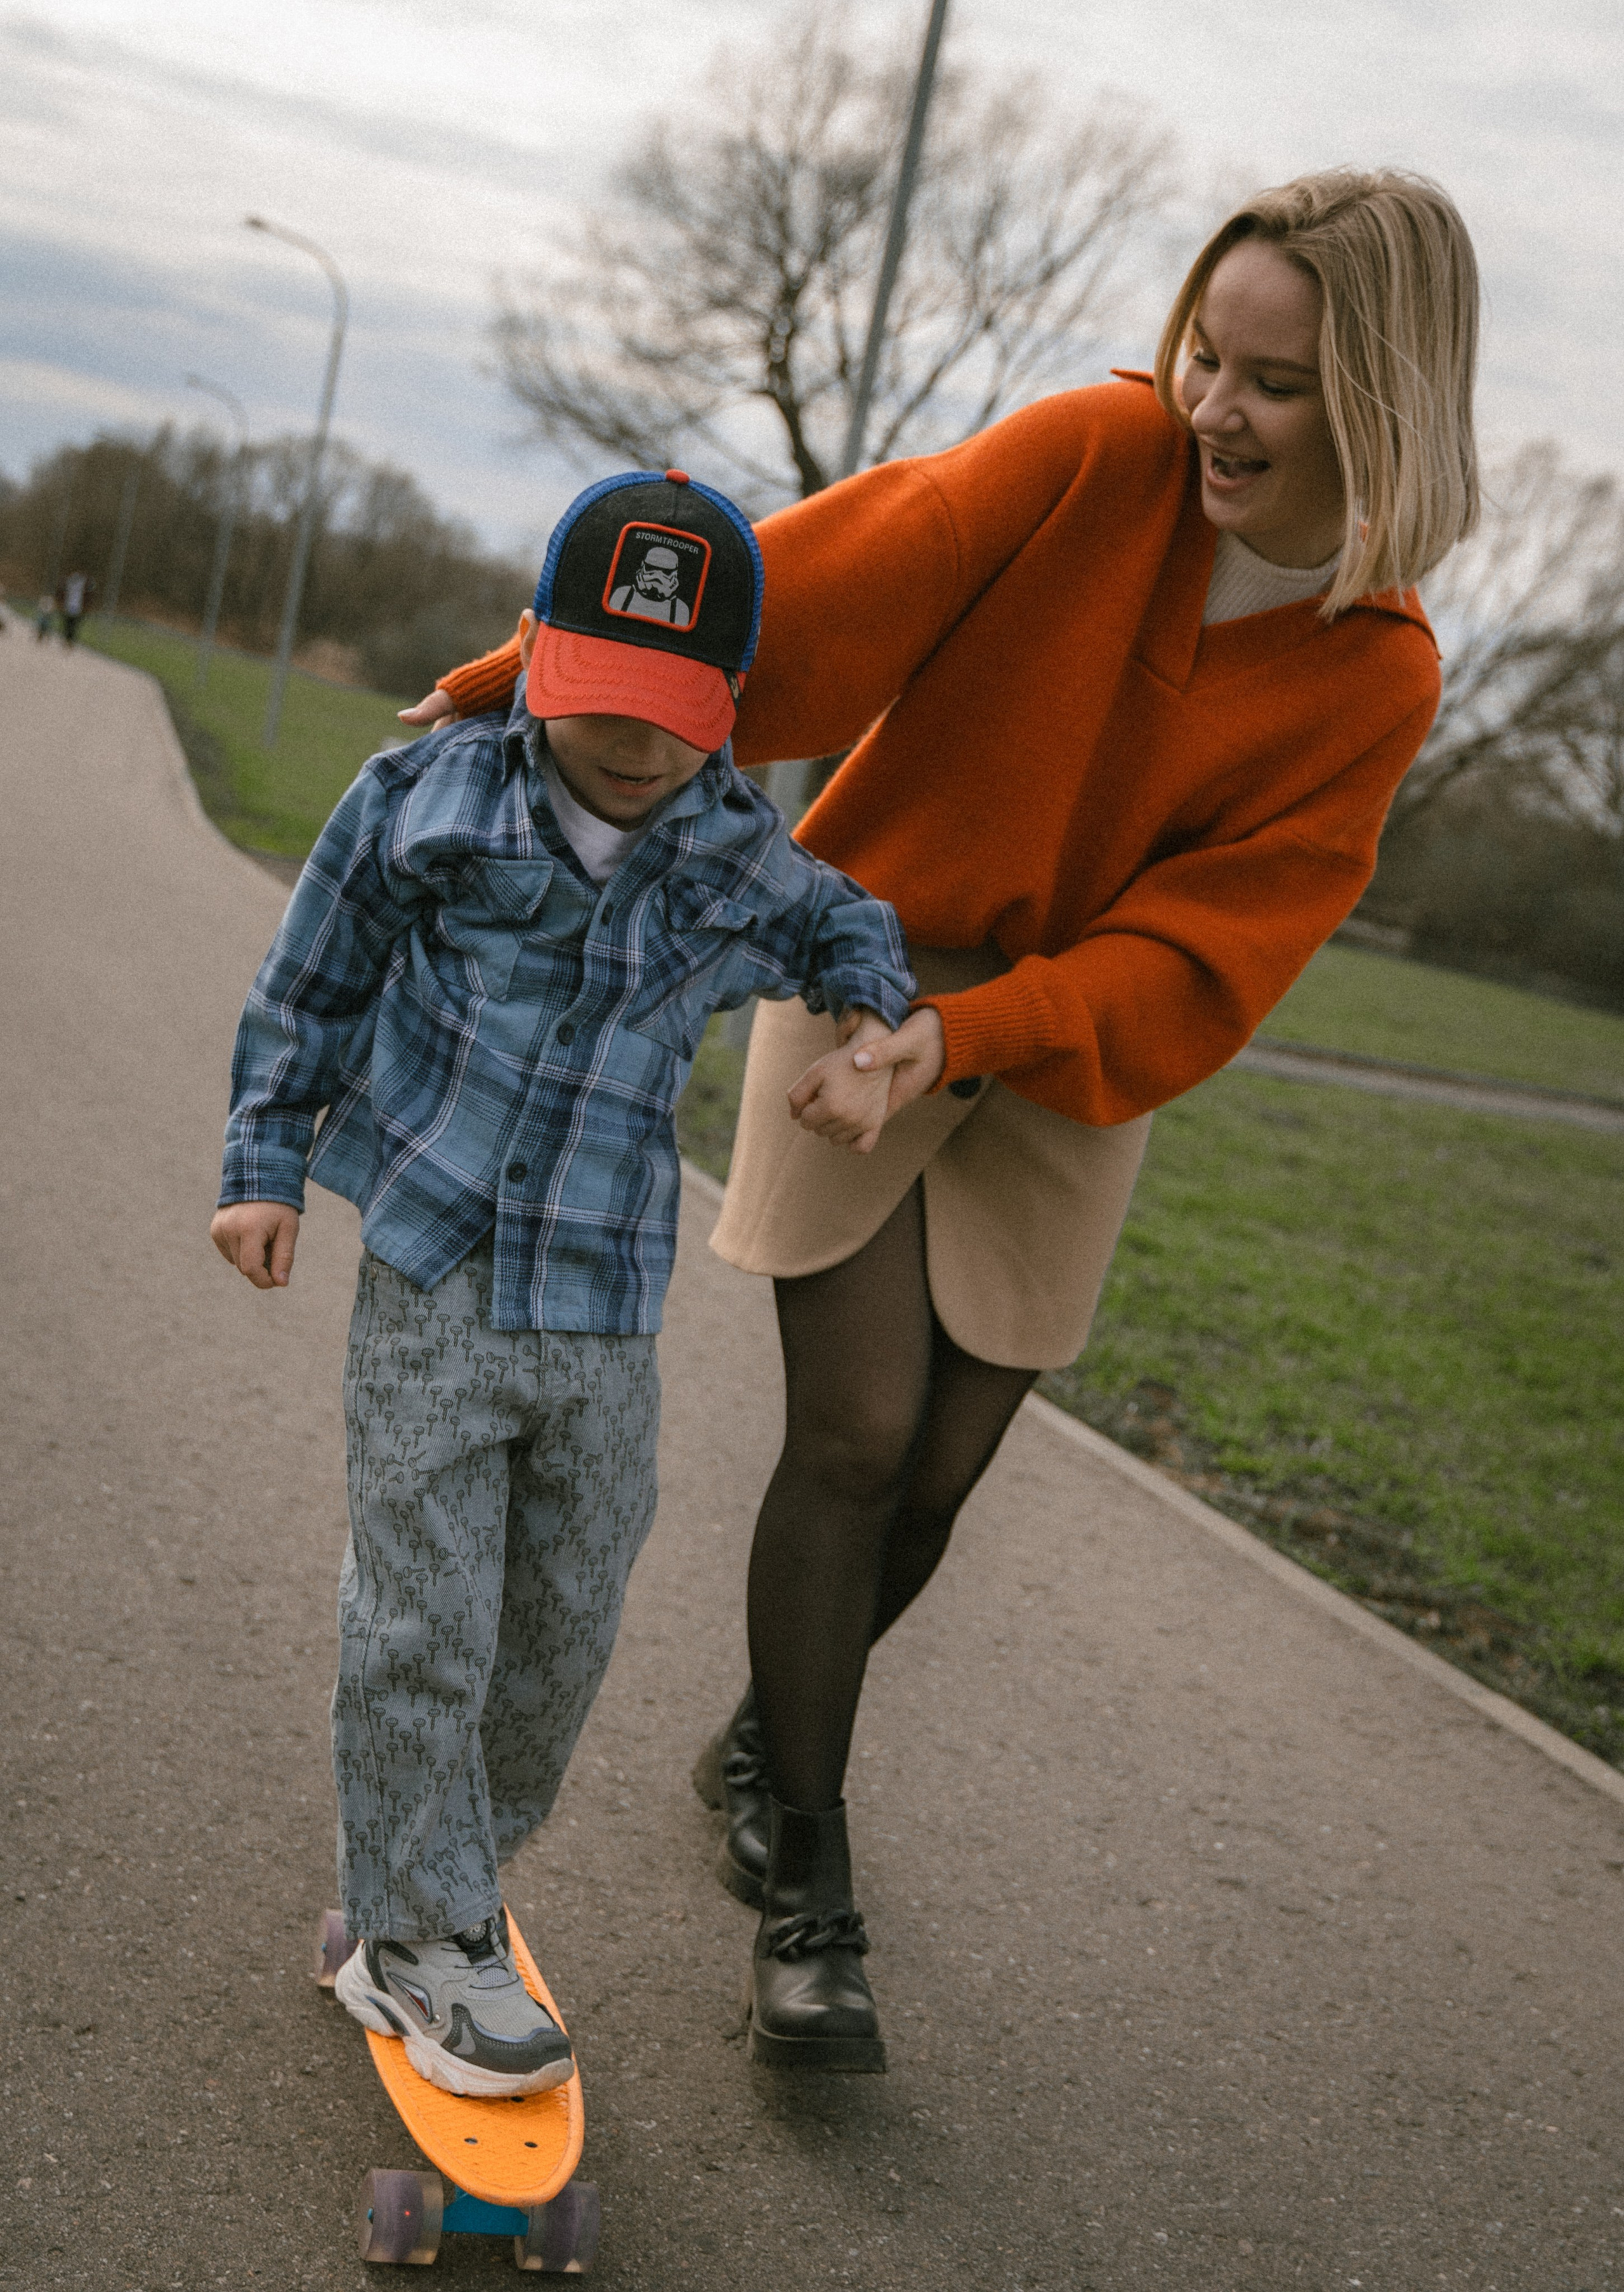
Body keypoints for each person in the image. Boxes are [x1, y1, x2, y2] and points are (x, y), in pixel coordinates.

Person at [407, 168, 1481, 2073]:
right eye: (1205, 356)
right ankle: (807, 1891)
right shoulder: (1092, 458)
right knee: (855, 1432)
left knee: (936, 1481)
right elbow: (812, 595)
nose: (1214, 409)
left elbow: (1205, 946)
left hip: (1072, 1047)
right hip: (863, 967)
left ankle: (768, 1738)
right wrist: (513, 691)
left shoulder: (1378, 669)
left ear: (1386, 402)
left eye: (1276, 385)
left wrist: (980, 1036)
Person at [209, 468, 917, 2098]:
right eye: (599, 697)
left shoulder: (733, 851)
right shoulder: (427, 798)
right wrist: (262, 1163)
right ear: (536, 653)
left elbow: (852, 928)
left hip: (606, 1313)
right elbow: (307, 984)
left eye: (675, 714)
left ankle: (428, 1878)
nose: (634, 744)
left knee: (558, 1635)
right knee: (423, 1618)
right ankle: (423, 1931)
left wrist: (874, 1039)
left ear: (726, 706)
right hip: (432, 1277)